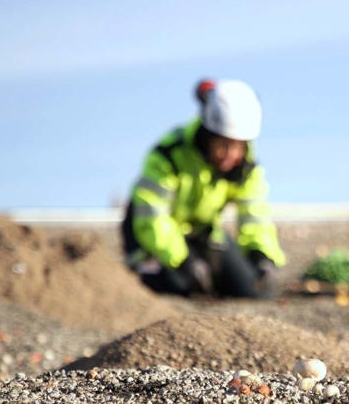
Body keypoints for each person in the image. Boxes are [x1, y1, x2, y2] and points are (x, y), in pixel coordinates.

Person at [121, 78, 286, 299]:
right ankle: (144, 268)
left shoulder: (245, 166)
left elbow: (255, 215)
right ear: (208, 136)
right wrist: (183, 260)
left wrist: (262, 256)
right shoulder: (169, 154)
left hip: (202, 235)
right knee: (178, 287)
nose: (230, 155)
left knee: (257, 290)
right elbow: (152, 218)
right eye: (223, 145)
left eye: (237, 146)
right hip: (151, 237)